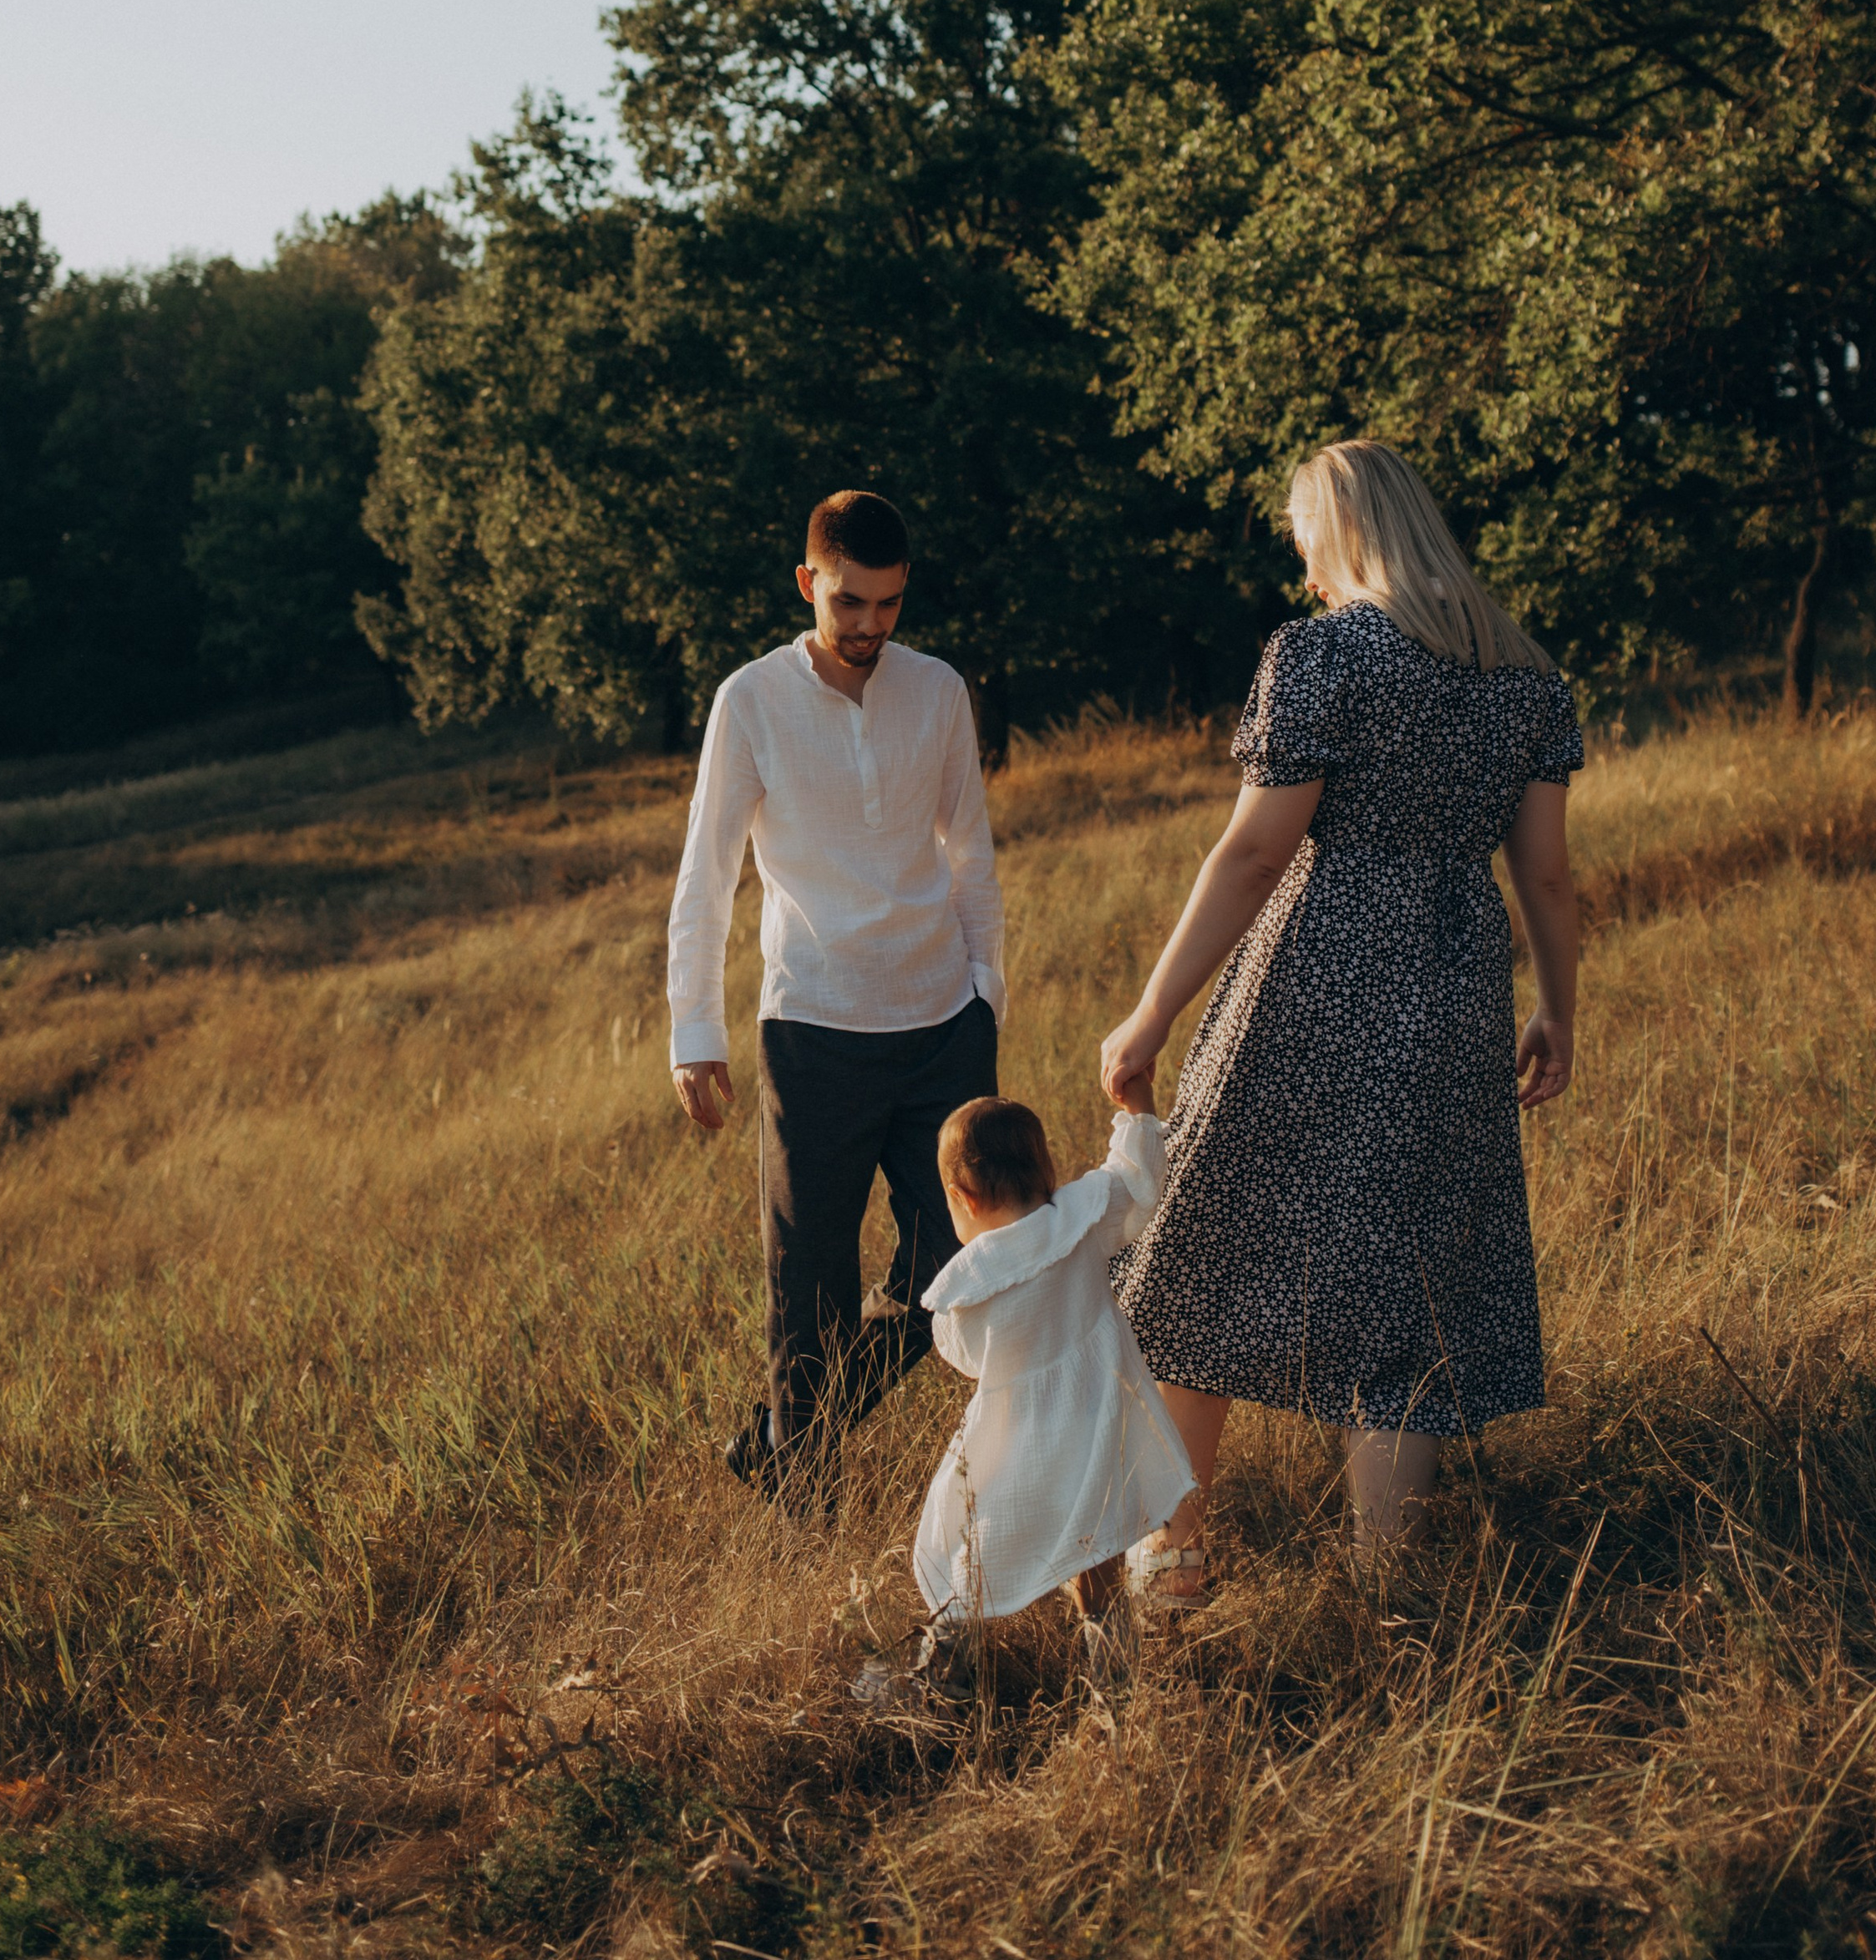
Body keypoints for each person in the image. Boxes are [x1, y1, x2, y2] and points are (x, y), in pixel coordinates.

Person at [1099, 438, 1581, 1590]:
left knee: (1206, 1243)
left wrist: (1154, 1009)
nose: (1302, 562)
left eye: (1304, 537)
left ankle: (1173, 1551)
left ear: (1341, 531)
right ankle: (1387, 1581)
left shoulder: (1321, 657)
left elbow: (1259, 848)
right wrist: (1560, 1008)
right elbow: (1550, 878)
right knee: (1411, 1277)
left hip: (1315, 977)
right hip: (1458, 988)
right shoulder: (1527, 679)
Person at [667, 489, 1006, 1502]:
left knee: (957, 1258)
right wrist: (694, 1029)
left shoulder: (938, 689)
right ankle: (803, 1491)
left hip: (942, 1020)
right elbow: (705, 870)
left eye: (888, 606)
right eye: (849, 603)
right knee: (805, 1282)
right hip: (812, 1028)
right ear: (810, 583)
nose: (868, 627)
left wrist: (985, 993)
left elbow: (971, 853)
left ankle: (778, 1440)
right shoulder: (751, 700)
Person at [911, 1086, 1195, 1629]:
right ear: (1045, 1168)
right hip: (1098, 1427)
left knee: (970, 1541)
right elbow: (1137, 1180)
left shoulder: (971, 1283)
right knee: (1097, 1555)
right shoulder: (1082, 1218)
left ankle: (949, 1656)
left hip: (1020, 1444)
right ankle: (1113, 1678)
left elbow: (965, 1354)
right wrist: (1138, 1108)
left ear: (963, 1199)